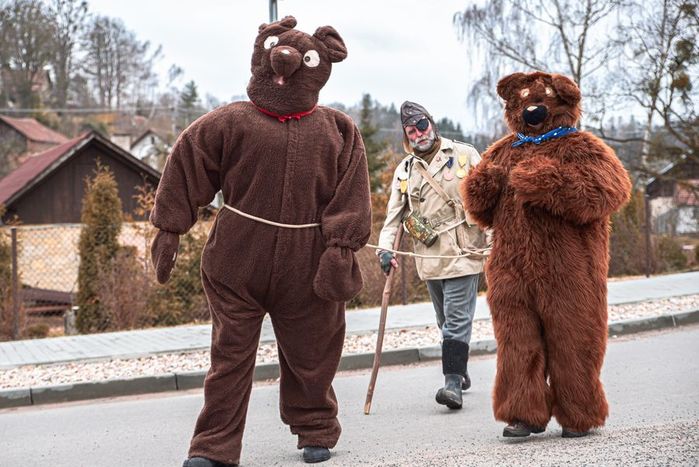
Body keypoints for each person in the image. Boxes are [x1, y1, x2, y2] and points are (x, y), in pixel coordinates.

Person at [376, 101, 490, 410]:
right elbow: (393, 218)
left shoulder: (465, 155)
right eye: (411, 131)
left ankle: (452, 384)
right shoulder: (405, 170)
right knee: (445, 320)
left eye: (421, 126)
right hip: (429, 258)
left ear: (432, 124)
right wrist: (385, 249)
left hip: (464, 252)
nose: (418, 134)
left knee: (456, 319)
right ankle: (460, 368)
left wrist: (495, 242)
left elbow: (488, 202)